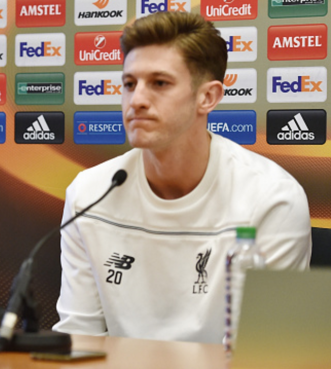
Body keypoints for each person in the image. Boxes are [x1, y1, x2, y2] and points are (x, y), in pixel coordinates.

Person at [53, 11, 311, 344]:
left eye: (159, 83)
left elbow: (271, 351)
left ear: (208, 97)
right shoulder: (89, 194)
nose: (137, 100)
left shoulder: (272, 198)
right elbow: (79, 339)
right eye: (129, 84)